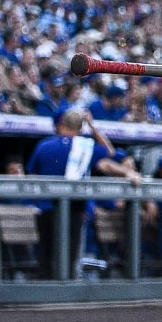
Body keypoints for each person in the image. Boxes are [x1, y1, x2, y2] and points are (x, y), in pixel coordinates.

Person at [24, 107, 141, 279]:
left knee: (45, 255)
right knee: (68, 257)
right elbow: (109, 152)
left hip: (46, 208)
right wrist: (92, 126)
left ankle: (43, 295)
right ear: (81, 128)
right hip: (73, 208)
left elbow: (31, 174)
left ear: (62, 123)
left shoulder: (44, 144)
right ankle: (64, 296)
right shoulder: (85, 146)